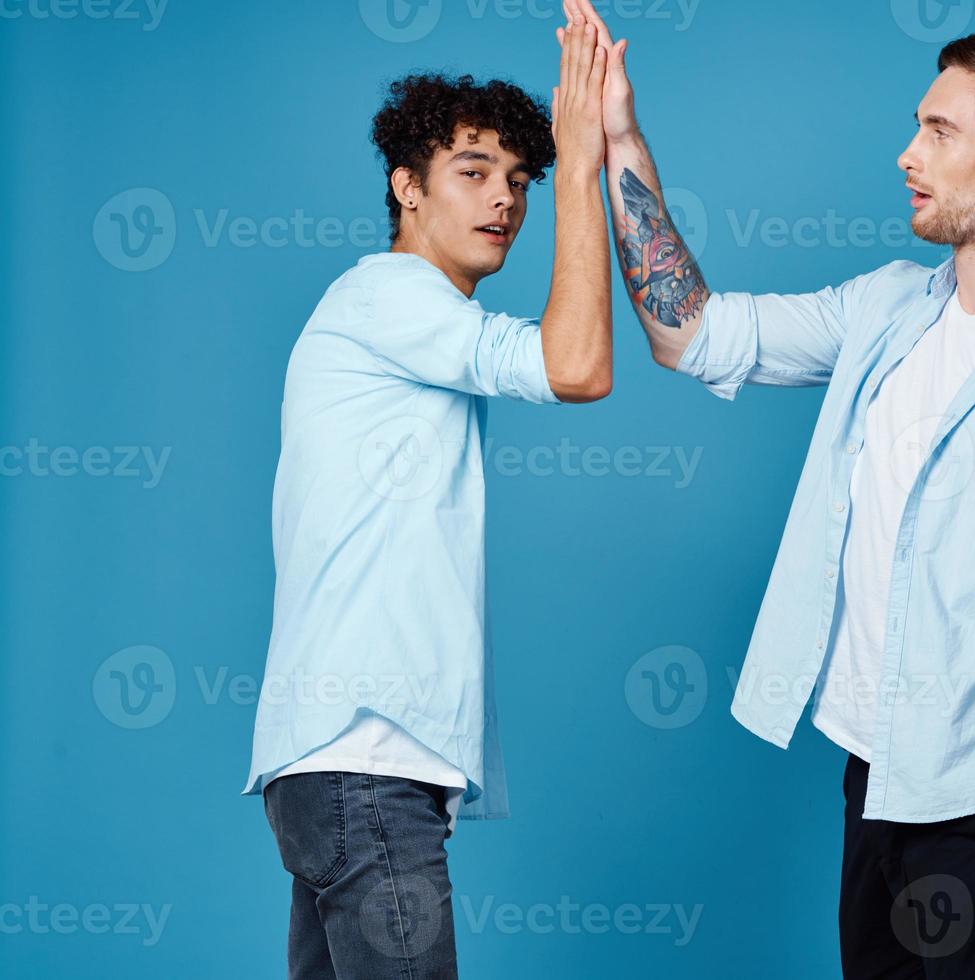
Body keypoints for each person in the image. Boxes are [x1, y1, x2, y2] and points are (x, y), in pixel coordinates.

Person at [563, 2, 975, 976]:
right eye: (916, 125)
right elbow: (691, 332)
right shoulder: (887, 305)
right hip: (872, 783)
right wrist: (623, 139)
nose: (907, 153)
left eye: (939, 132)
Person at [241, 18, 614, 978]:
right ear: (408, 188)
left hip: (340, 765)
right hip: (365, 761)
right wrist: (580, 168)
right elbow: (575, 367)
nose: (505, 198)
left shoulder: (417, 325)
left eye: (522, 179)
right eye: (474, 171)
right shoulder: (391, 296)